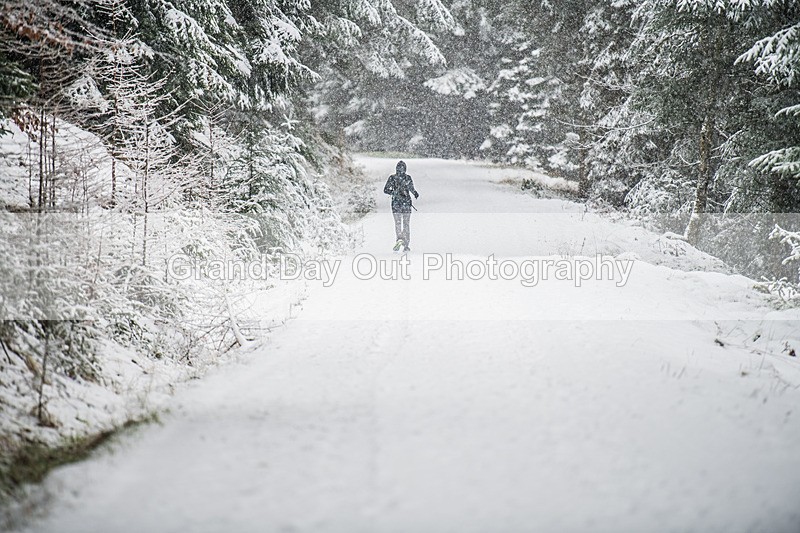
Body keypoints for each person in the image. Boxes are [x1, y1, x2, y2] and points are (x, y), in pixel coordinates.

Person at [383, 160, 419, 252]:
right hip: (406, 203)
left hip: (396, 204)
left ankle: (399, 238)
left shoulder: (392, 178)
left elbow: (385, 190)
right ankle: (406, 244)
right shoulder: (408, 178)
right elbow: (412, 189)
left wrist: (393, 192)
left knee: (398, 223)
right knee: (406, 223)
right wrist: (415, 193)